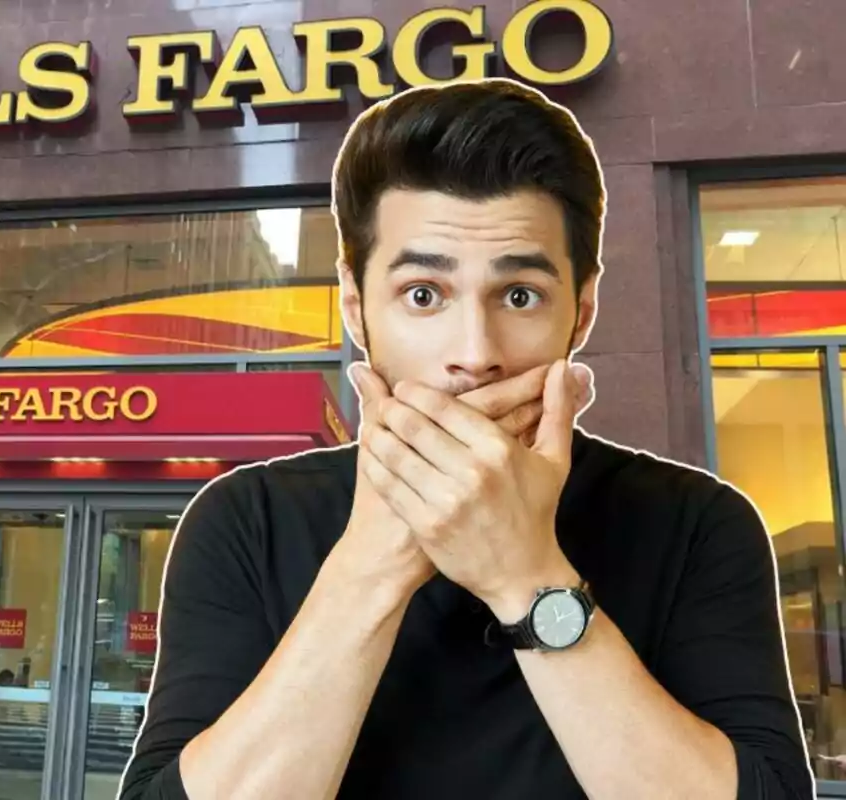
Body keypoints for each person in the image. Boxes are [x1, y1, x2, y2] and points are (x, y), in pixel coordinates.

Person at [118, 79, 814, 799]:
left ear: (581, 314)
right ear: (357, 310)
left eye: (519, 296)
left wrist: (526, 576)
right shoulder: (246, 519)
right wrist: (376, 565)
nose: (475, 352)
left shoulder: (697, 524)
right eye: (424, 294)